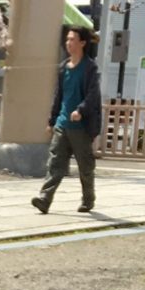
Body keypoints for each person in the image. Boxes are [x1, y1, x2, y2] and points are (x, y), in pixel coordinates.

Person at [32, 25, 103, 215]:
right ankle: (44, 199)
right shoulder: (64, 67)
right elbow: (59, 95)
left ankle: (88, 199)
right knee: (55, 163)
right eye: (67, 39)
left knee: (85, 166)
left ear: (82, 43)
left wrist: (81, 110)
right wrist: (52, 120)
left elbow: (93, 95)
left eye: (72, 39)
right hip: (63, 124)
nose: (68, 43)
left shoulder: (90, 68)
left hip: (81, 126)